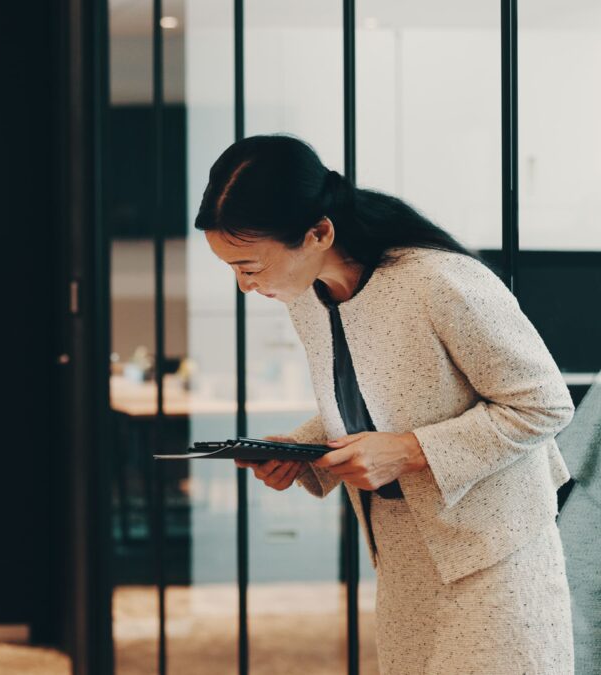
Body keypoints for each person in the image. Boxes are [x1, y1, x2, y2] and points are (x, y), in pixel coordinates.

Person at [197, 135, 574, 673]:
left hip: (495, 557)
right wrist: (301, 450)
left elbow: (543, 404)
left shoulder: (439, 280)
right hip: (402, 557)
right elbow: (378, 407)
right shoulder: (306, 299)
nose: (244, 285)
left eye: (250, 267)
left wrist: (408, 451)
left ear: (319, 232)